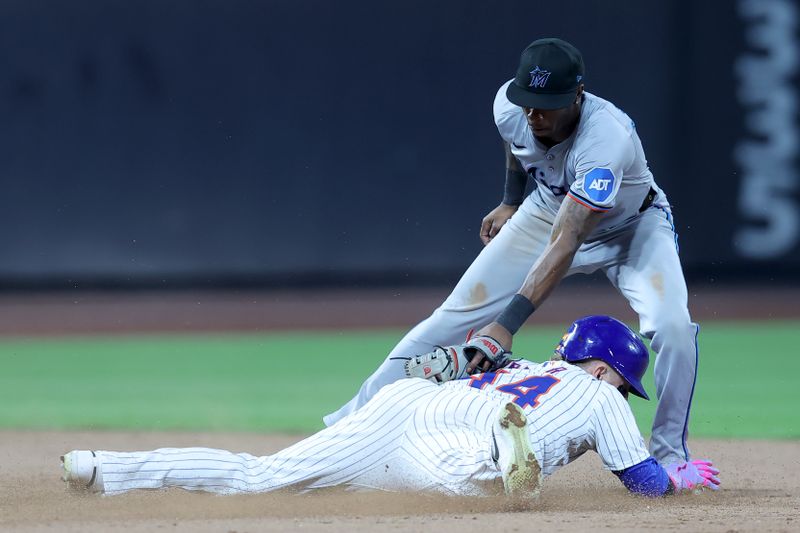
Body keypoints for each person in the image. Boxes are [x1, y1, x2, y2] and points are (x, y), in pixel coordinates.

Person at [324, 38, 700, 467]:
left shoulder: (605, 140)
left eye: (547, 104)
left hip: (633, 228)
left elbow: (568, 239)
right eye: (528, 103)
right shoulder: (511, 106)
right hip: (546, 209)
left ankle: (670, 455)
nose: (534, 114)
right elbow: (517, 143)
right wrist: (510, 200)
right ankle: (346, 430)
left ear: (578, 95)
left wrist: (505, 325)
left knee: (673, 327)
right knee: (452, 317)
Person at [61, 316, 719, 498]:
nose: (622, 390)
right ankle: (504, 467)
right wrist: (677, 482)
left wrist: (461, 354)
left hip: (410, 406)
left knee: (258, 476)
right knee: (488, 486)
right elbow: (644, 482)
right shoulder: (601, 394)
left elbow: (475, 357)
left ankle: (102, 468)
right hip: (459, 445)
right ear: (605, 368)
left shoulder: (531, 366)